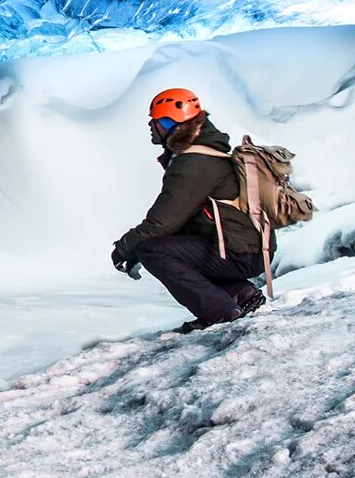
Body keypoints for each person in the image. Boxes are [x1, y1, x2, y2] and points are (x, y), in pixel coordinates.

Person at [110, 88, 267, 333]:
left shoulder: (194, 162)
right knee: (170, 244)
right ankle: (240, 293)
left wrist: (124, 248)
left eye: (156, 120)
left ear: (170, 123)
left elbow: (163, 221)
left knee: (152, 250)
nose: (151, 125)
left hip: (239, 252)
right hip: (245, 248)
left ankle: (221, 312)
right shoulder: (202, 154)